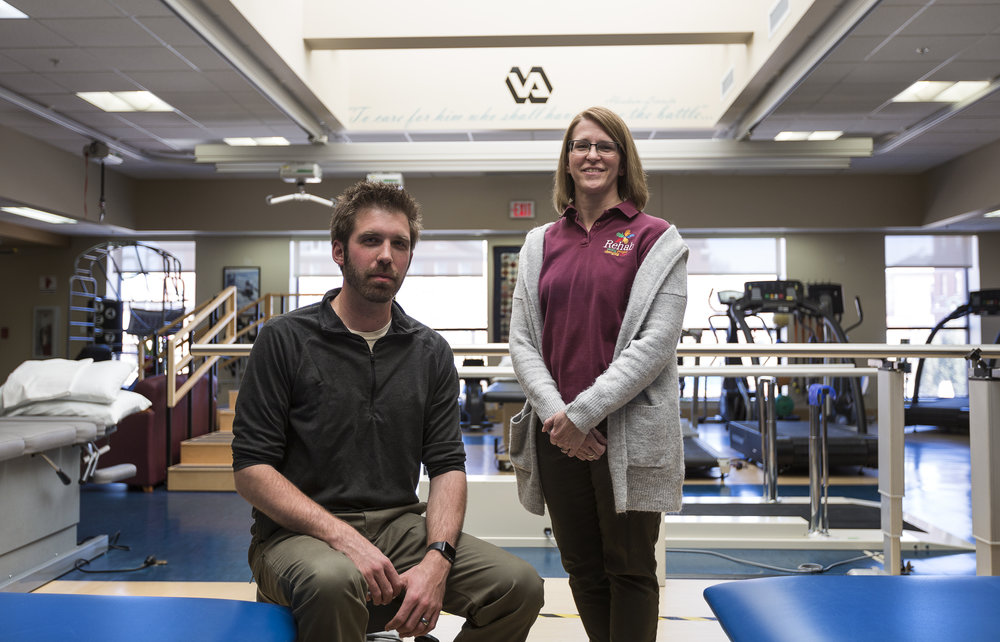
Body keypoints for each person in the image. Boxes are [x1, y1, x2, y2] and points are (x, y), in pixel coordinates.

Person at [232, 180, 544, 642]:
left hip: (399, 529)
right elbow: (251, 470)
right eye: (371, 240)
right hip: (295, 537)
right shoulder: (284, 339)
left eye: (400, 244)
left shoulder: (430, 351)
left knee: (518, 586)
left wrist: (437, 557)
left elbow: (447, 466)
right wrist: (345, 539)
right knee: (334, 580)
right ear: (339, 251)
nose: (386, 255)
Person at [508, 106, 688, 642]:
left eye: (604, 146)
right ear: (566, 160)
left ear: (622, 159)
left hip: (625, 436)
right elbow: (522, 341)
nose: (591, 155)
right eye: (580, 145)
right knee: (582, 568)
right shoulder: (541, 242)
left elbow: (655, 343)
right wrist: (560, 418)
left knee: (630, 570)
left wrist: (584, 414)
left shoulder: (656, 238)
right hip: (557, 436)